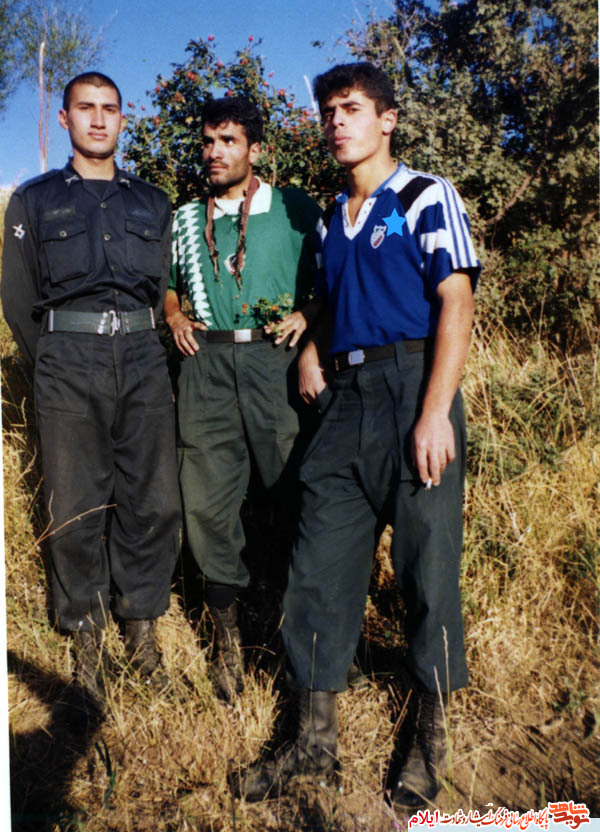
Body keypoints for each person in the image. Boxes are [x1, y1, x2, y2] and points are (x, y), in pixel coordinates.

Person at [237, 62, 480, 807]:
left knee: (426, 568)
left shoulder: (425, 195)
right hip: (343, 402)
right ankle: (313, 745)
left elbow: (456, 302)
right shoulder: (329, 222)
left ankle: (429, 740)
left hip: (413, 389)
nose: (337, 123)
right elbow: (331, 300)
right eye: (329, 113)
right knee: (318, 564)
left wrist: (434, 411)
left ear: (387, 119)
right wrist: (313, 346)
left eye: (351, 109)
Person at [1, 72, 182, 707]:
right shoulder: (34, 200)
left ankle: (142, 632)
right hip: (68, 360)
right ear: (65, 119)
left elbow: (162, 288)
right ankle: (85, 638)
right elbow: (18, 296)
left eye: (110, 109)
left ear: (123, 119)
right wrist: (53, 356)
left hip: (142, 355)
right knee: (75, 504)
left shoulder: (153, 202)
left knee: (153, 500)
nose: (99, 119)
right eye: (86, 108)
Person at [166, 97, 321, 703]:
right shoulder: (185, 219)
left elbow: (334, 278)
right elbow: (167, 287)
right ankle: (227, 642)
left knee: (292, 492)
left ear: (255, 149)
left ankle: (302, 637)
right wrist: (175, 314)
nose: (214, 152)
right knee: (205, 502)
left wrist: (308, 316)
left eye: (227, 141)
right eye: (207, 142)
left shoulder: (293, 208)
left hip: (273, 359)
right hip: (205, 363)